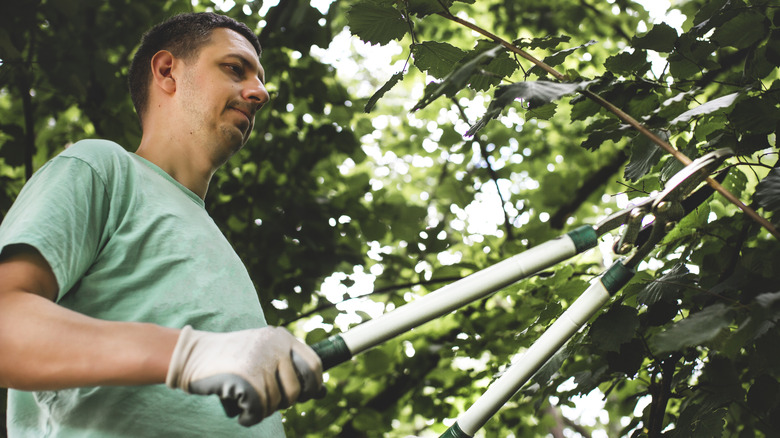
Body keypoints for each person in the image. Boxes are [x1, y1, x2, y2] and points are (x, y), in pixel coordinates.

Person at [0, 12, 323, 437]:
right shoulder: (102, 167)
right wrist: (193, 355)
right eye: (234, 68)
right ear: (168, 71)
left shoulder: (217, 246)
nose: (260, 92)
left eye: (260, 79)